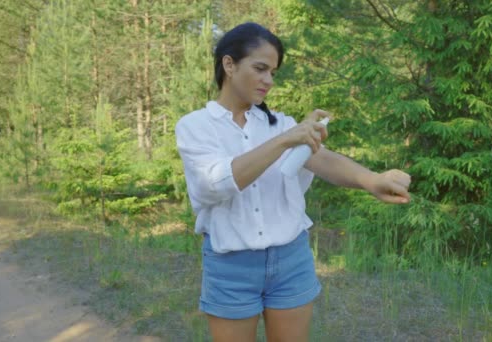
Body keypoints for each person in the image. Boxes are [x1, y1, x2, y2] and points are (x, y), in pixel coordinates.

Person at [175, 22, 411, 342]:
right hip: (231, 266)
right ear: (229, 64)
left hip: (291, 260)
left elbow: (320, 158)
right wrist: (286, 140)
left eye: (273, 72)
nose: (268, 81)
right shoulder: (195, 126)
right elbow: (215, 184)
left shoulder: (280, 125)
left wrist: (372, 180)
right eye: (260, 69)